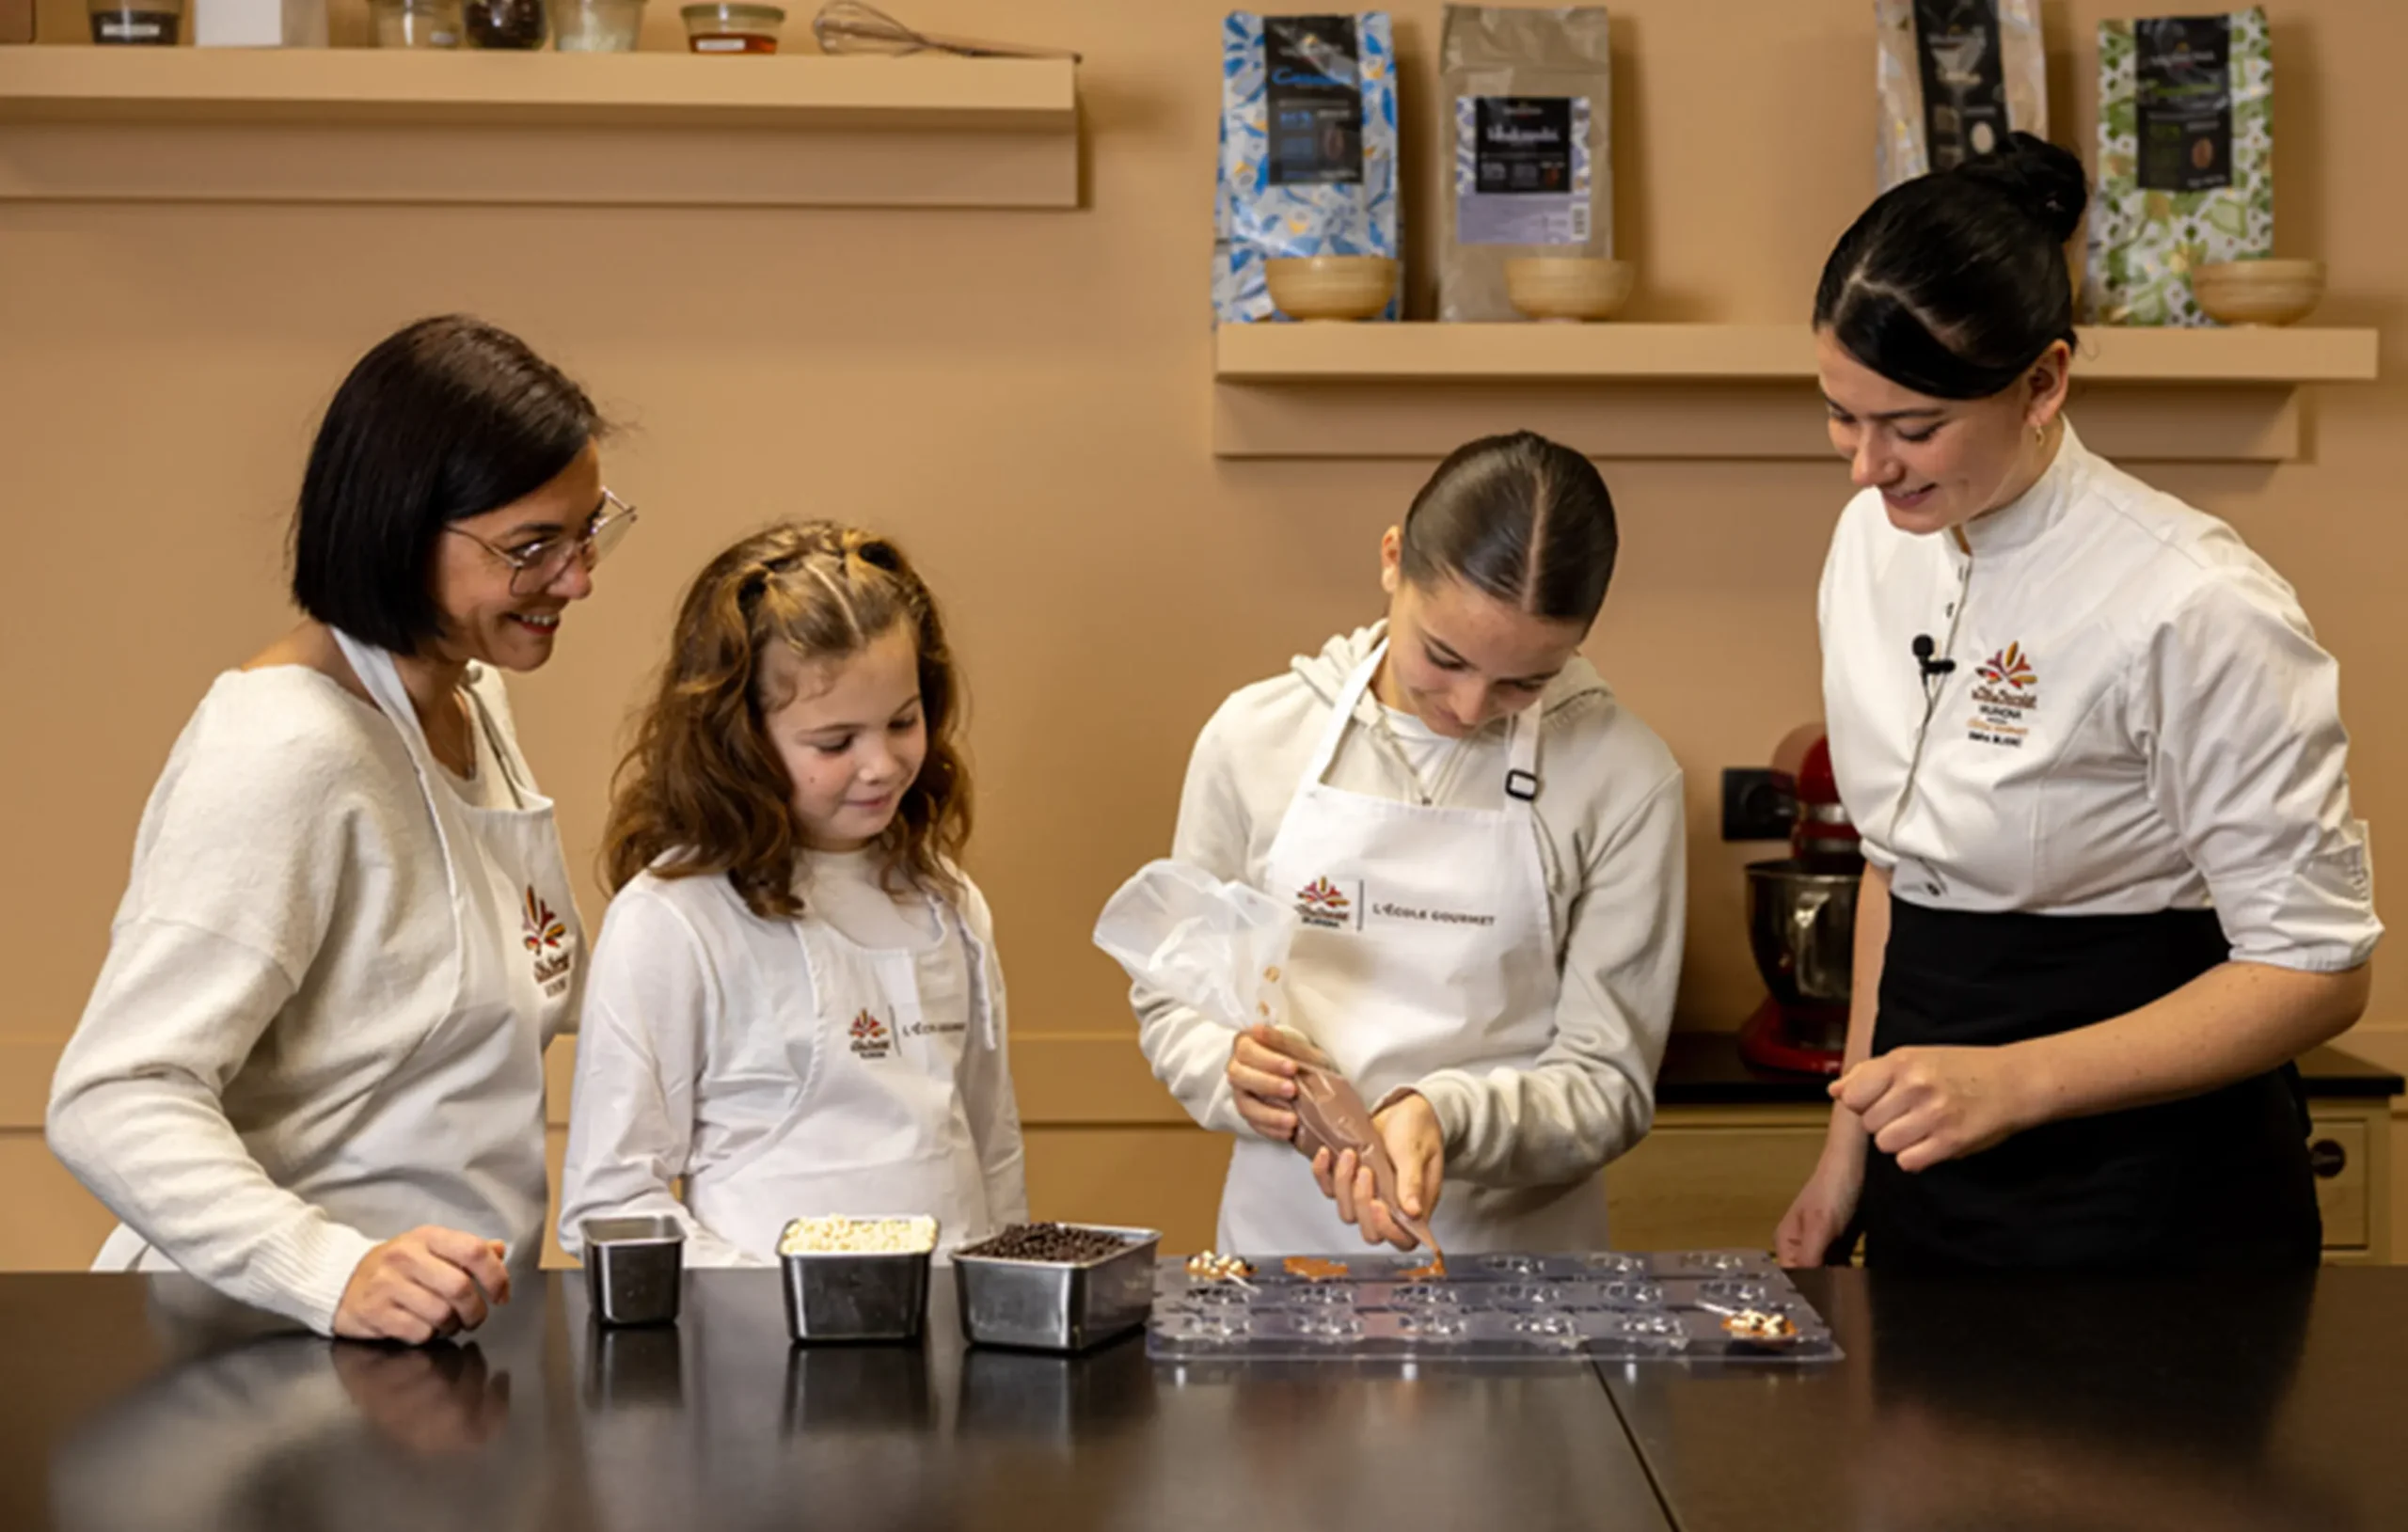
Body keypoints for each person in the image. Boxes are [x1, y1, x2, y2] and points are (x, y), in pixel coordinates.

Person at [1775, 134, 2380, 1271]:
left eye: (1914, 427)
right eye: (1841, 415)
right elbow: (1896, 868)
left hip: (2155, 1196)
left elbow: (2318, 970)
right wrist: (1844, 1154)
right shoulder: (1869, 541)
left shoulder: (2193, 601)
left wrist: (2015, 1082)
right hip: (1930, 1163)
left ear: (2043, 382)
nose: (1866, 466)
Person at [48, 315, 632, 1341]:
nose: (578, 577)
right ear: (399, 528)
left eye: (587, 531)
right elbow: (114, 1094)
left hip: (434, 1345)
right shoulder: (283, 748)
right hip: (269, 1349)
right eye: (532, 547)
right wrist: (334, 1272)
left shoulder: (472, 700)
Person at [1133, 431, 1685, 1255]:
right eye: (1444, 656)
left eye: (1524, 681)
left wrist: (1445, 1115)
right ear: (1393, 559)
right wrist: (1230, 1073)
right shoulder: (1253, 740)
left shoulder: (1625, 778)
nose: (1468, 707)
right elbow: (1174, 996)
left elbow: (1609, 1083)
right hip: (1283, 1249)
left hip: (1519, 1271)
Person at [557, 521, 1025, 1266]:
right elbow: (610, 1203)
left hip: (947, 1325)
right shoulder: (673, 918)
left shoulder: (947, 901)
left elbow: (991, 1150)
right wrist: (783, 1301)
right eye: (835, 742)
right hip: (757, 1331)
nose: (881, 764)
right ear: (739, 739)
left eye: (903, 722)